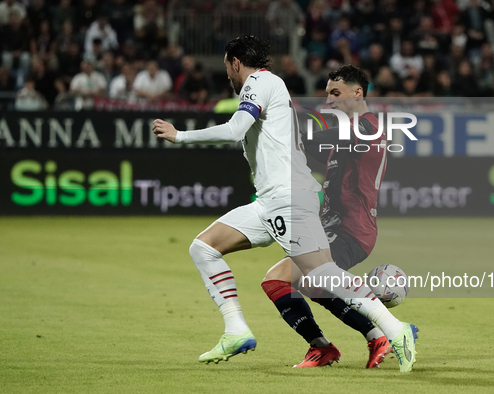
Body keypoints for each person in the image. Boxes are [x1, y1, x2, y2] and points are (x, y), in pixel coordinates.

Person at [152, 35, 417, 372]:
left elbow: (238, 130)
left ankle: (392, 331)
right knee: (206, 248)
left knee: (320, 275)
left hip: (319, 211)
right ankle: (237, 330)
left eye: (336, 94)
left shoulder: (263, 83)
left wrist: (180, 136)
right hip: (275, 201)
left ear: (235, 62)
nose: (329, 100)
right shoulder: (280, 95)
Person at [261, 65, 404, 368]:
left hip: (350, 229)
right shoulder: (345, 136)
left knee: (278, 279)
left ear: (357, 92)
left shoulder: (368, 127)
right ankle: (361, 338)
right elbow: (306, 150)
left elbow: (309, 141)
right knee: (311, 285)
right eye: (326, 94)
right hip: (332, 228)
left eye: (335, 93)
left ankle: (382, 333)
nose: (328, 101)